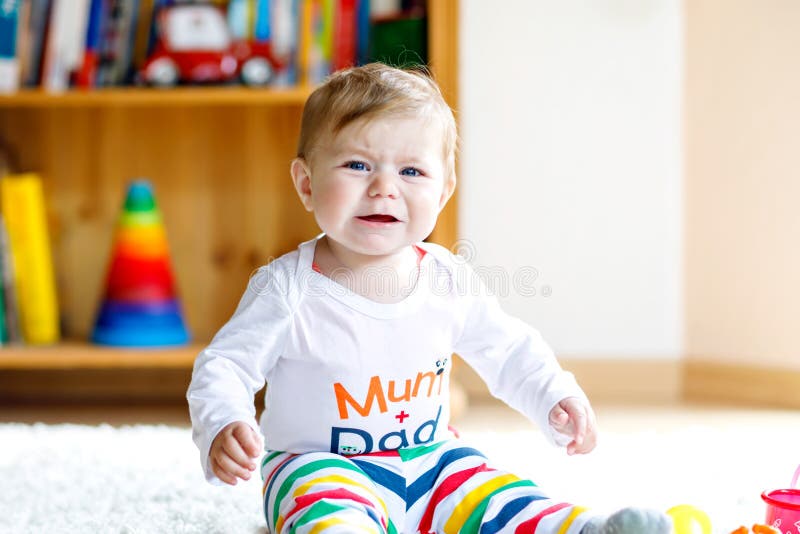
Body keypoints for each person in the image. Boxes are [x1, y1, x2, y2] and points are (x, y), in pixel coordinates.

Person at [187, 63, 671, 534]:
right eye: (357, 165)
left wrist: (553, 395)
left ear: (443, 193)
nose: (383, 189)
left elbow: (508, 349)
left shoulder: (447, 279)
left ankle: (585, 528)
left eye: (412, 172)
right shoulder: (286, 288)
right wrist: (225, 422)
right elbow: (224, 366)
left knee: (499, 497)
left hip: (433, 460)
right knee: (331, 517)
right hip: (317, 465)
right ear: (307, 184)